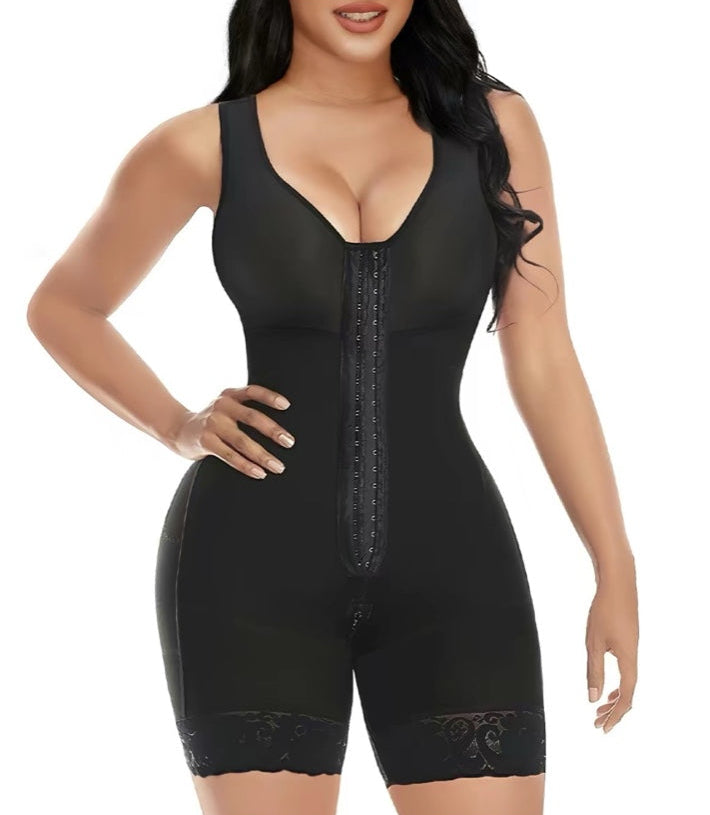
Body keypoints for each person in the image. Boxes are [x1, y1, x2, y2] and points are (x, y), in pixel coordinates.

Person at [26, 1, 639, 813]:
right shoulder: (201, 144)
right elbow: (64, 307)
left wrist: (614, 563)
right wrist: (178, 424)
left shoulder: (494, 127)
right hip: (248, 567)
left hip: (455, 564)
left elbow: (544, 356)